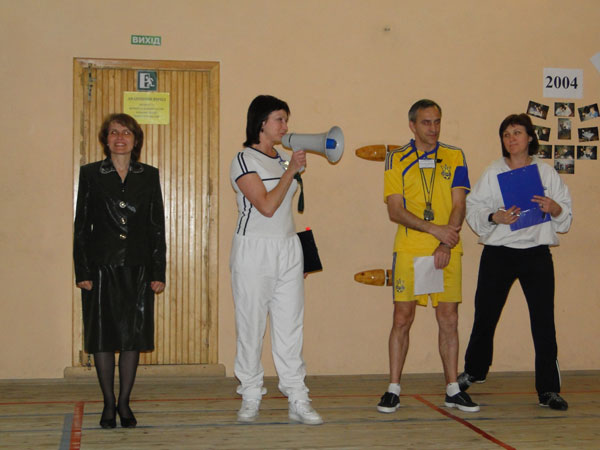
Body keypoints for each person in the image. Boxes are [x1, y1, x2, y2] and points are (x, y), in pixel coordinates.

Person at [458, 113, 572, 411]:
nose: (511, 139)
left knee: (543, 322)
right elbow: (473, 207)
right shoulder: (493, 171)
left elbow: (565, 215)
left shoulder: (546, 173)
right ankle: (475, 370)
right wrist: (493, 216)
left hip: (536, 254)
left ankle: (548, 390)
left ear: (530, 137)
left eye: (517, 133)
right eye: (506, 134)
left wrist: (554, 208)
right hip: (499, 253)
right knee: (485, 315)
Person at [378, 99, 479, 414]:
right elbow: (395, 210)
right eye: (426, 122)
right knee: (402, 318)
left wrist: (445, 242)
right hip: (410, 249)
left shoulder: (455, 155)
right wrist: (434, 230)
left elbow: (459, 204)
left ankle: (452, 389)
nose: (433, 128)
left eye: (437, 122)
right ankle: (393, 389)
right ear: (412, 125)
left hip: (447, 248)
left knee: (449, 319)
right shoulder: (396, 158)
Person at [229, 95, 323, 425]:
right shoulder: (243, 160)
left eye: (286, 120)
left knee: (290, 327)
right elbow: (267, 206)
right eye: (279, 119)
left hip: (287, 249)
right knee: (251, 326)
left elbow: (284, 211)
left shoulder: (282, 160)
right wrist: (292, 171)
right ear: (261, 123)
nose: (285, 126)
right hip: (254, 250)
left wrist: (296, 256)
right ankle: (251, 393)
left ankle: (297, 396)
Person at [73, 113, 166, 428]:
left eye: (126, 132)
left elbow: (156, 227)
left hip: (138, 268)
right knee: (102, 337)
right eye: (114, 132)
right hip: (100, 268)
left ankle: (124, 402)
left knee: (132, 337)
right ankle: (108, 403)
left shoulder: (149, 175)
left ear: (135, 139)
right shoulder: (90, 174)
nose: (120, 137)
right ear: (106, 139)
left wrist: (158, 271)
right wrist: (83, 270)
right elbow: (81, 227)